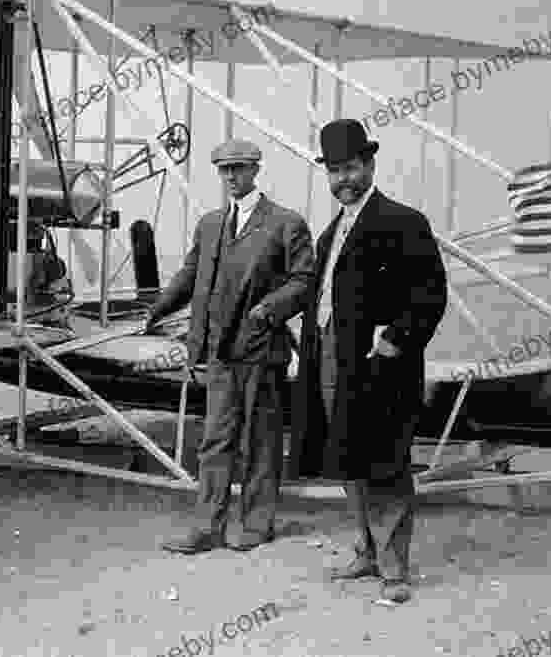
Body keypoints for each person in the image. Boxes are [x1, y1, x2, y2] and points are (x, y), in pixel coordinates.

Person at [289, 118, 447, 603]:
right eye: (334, 171)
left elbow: (430, 294)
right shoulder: (330, 233)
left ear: (371, 164)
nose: (344, 179)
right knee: (347, 456)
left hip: (380, 366)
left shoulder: (403, 221)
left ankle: (394, 570)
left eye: (352, 167)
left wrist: (395, 343)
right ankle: (367, 552)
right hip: (330, 361)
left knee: (385, 462)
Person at [147, 138, 314, 553]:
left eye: (238, 168)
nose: (231, 176)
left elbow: (304, 280)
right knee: (215, 442)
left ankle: (257, 524)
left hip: (261, 351)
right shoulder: (209, 224)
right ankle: (208, 526)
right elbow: (189, 275)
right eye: (224, 169)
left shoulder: (285, 223)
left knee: (261, 440)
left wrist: (268, 310)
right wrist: (159, 308)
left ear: (255, 170)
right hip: (219, 353)